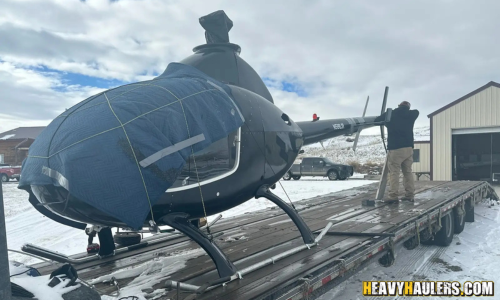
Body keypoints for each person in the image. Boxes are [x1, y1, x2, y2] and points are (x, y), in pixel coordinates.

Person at [375, 101, 419, 202]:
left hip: (396, 149)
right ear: (408, 107)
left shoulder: (391, 115)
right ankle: (409, 195)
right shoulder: (412, 115)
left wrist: (388, 115)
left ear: (398, 106)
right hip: (408, 148)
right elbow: (416, 111)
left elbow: (377, 120)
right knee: (407, 172)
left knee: (394, 172)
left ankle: (393, 196)